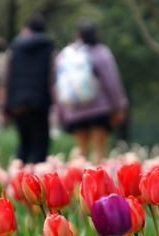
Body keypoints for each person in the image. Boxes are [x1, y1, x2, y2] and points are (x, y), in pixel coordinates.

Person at [55, 19, 127, 163]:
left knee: (81, 153)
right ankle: (99, 184)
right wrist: (119, 106)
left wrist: (60, 112)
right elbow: (111, 82)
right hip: (98, 109)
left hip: (74, 111)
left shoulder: (65, 55)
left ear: (76, 34)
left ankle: (81, 183)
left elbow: (58, 86)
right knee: (99, 151)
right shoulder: (100, 53)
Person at [1, 14, 55, 164]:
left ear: (27, 29)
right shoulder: (49, 47)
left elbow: (6, 78)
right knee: (41, 145)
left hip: (18, 104)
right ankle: (40, 181)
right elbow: (53, 77)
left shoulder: (15, 47)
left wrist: (4, 106)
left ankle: (19, 181)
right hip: (40, 103)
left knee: (24, 144)